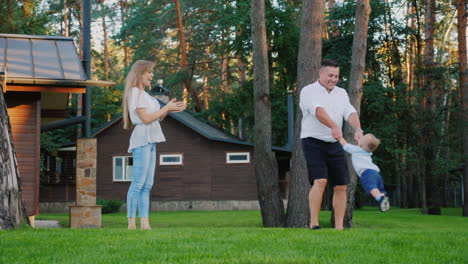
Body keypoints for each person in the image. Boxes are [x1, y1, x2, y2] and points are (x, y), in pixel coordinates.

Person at [299, 59, 363, 230]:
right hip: (312, 141)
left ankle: (339, 227)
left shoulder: (341, 93)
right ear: (320, 73)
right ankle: (314, 224)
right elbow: (318, 111)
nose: (333, 79)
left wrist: (358, 129)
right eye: (330, 75)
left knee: (341, 185)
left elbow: (350, 112)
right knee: (320, 181)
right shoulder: (308, 91)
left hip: (334, 144)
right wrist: (334, 125)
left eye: (336, 76)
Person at [122, 60, 186, 230]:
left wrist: (172, 108)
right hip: (142, 140)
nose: (152, 75)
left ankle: (145, 224)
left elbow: (157, 117)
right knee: (138, 183)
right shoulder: (135, 92)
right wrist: (166, 109)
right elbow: (146, 119)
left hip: (151, 140)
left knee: (147, 184)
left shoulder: (147, 96)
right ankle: (131, 224)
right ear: (139, 73)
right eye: (149, 72)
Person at [338, 134, 390, 212]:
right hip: (376, 173)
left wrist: (340, 137)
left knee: (371, 187)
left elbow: (345, 145)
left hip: (367, 173)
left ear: (360, 144)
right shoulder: (368, 152)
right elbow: (366, 145)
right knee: (379, 189)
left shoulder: (356, 149)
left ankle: (380, 198)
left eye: (360, 139)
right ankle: (383, 200)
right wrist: (360, 139)